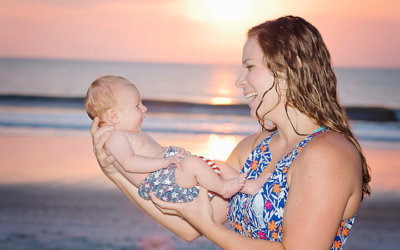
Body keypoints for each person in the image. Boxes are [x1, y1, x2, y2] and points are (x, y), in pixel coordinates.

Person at [90, 16, 371, 249]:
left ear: (288, 69)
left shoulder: (329, 152)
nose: (239, 81)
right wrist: (116, 172)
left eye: (249, 68)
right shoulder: (251, 149)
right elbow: (189, 225)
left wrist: (210, 228)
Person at [84, 75, 269, 202]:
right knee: (195, 165)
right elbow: (130, 163)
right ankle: (224, 189)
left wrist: (171, 153)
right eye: (137, 105)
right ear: (114, 116)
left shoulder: (131, 134)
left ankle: (249, 187)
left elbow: (154, 151)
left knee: (217, 164)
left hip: (167, 173)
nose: (144, 108)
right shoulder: (115, 137)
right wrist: (164, 162)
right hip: (159, 182)